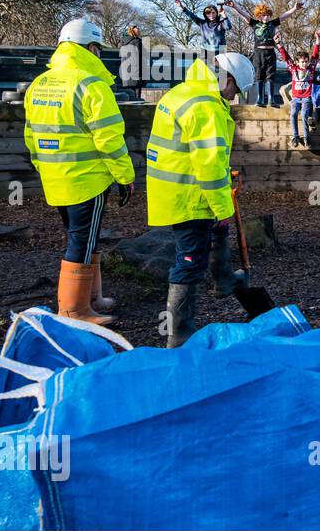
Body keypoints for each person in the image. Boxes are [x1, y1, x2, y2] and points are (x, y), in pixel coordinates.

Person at [24, 18, 136, 325]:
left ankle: (91, 298)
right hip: (88, 178)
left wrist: (44, 167)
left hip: (55, 177)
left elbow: (30, 134)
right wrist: (124, 177)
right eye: (97, 49)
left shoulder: (40, 84)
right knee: (81, 239)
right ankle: (74, 311)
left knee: (84, 238)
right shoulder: (91, 85)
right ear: (91, 48)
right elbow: (109, 139)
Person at [146, 52, 254, 348]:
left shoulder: (182, 91)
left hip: (172, 186)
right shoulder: (207, 106)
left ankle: (224, 281)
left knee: (218, 233)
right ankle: (179, 334)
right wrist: (223, 207)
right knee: (189, 262)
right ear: (227, 80)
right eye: (235, 91)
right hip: (189, 194)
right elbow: (207, 163)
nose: (233, 98)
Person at [226, 0, 301, 107]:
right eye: (262, 15)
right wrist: (234, 6)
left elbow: (285, 15)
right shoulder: (255, 23)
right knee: (259, 75)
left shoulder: (273, 23)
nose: (265, 17)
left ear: (270, 15)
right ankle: (260, 98)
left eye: (267, 15)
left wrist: (294, 8)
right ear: (259, 16)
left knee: (270, 75)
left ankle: (271, 99)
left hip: (270, 52)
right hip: (258, 52)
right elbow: (244, 15)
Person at [276, 30, 320, 147]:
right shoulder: (293, 69)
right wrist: (279, 44)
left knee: (304, 114)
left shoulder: (311, 70)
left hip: (306, 98)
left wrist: (318, 40)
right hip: (296, 98)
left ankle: (306, 137)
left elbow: (315, 56)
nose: (304, 64)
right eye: (302, 62)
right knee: (293, 113)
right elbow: (286, 57)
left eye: (306, 62)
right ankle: (295, 136)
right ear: (297, 62)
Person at [118, 25, 145, 100]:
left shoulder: (123, 43)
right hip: (136, 72)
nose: (139, 31)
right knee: (137, 97)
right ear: (133, 32)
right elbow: (140, 57)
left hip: (126, 73)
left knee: (129, 96)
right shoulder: (137, 41)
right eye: (138, 30)